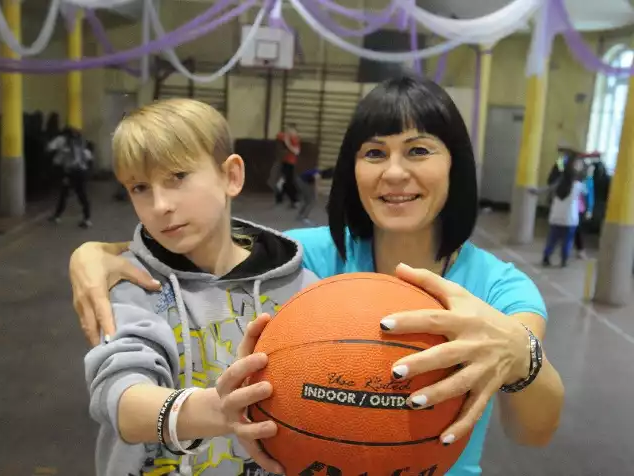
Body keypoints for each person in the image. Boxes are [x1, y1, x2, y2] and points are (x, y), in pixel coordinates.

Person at [69, 76, 564, 476]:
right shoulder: (307, 258)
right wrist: (95, 254)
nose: (393, 172)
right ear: (353, 170)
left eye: (418, 150)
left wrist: (524, 357)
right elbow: (205, 243)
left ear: (456, 163)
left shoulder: (501, 287)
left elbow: (533, 434)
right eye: (374, 153)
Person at [84, 98, 317, 476]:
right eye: (140, 187)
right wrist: (214, 410)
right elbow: (120, 395)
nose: (160, 205)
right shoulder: (130, 282)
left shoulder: (304, 290)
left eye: (177, 177)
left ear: (231, 176)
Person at [532, 153, 587, 267]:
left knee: (552, 240)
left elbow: (546, 189)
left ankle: (546, 257)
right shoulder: (578, 185)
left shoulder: (559, 182)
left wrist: (535, 191)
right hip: (570, 219)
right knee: (566, 242)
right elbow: (586, 193)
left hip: (556, 217)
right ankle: (564, 260)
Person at [47, 126, 93, 228]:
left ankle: (57, 216)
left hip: (71, 173)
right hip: (81, 172)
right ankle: (87, 219)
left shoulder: (66, 146)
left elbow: (57, 159)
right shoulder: (81, 145)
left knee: (65, 194)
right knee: (81, 195)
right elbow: (89, 158)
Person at [274, 123, 300, 207]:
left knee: (287, 182)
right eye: (287, 130)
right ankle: (280, 198)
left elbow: (296, 151)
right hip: (284, 162)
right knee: (283, 181)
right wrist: (285, 137)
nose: (288, 131)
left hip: (290, 164)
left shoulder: (295, 140)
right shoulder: (286, 136)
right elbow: (278, 135)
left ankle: (294, 200)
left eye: (290, 130)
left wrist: (288, 143)